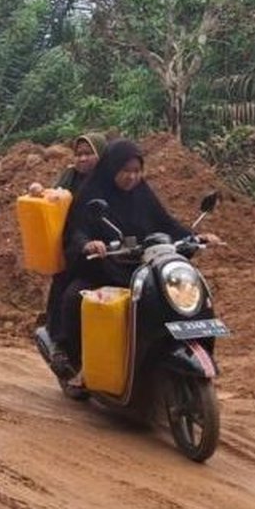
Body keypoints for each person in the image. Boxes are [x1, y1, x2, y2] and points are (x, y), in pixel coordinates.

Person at [50, 139, 221, 381]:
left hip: (141, 266)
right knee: (75, 297)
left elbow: (165, 222)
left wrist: (195, 237)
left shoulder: (142, 193)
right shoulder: (92, 193)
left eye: (137, 171)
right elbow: (77, 230)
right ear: (111, 169)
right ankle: (79, 362)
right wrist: (89, 244)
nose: (132, 177)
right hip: (102, 266)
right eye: (125, 171)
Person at [27, 133, 108, 340]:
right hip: (76, 246)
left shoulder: (114, 180)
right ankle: (61, 344)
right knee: (68, 293)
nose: (82, 158)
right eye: (79, 154)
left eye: (88, 153)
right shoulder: (70, 177)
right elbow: (53, 196)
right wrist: (38, 191)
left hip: (111, 249)